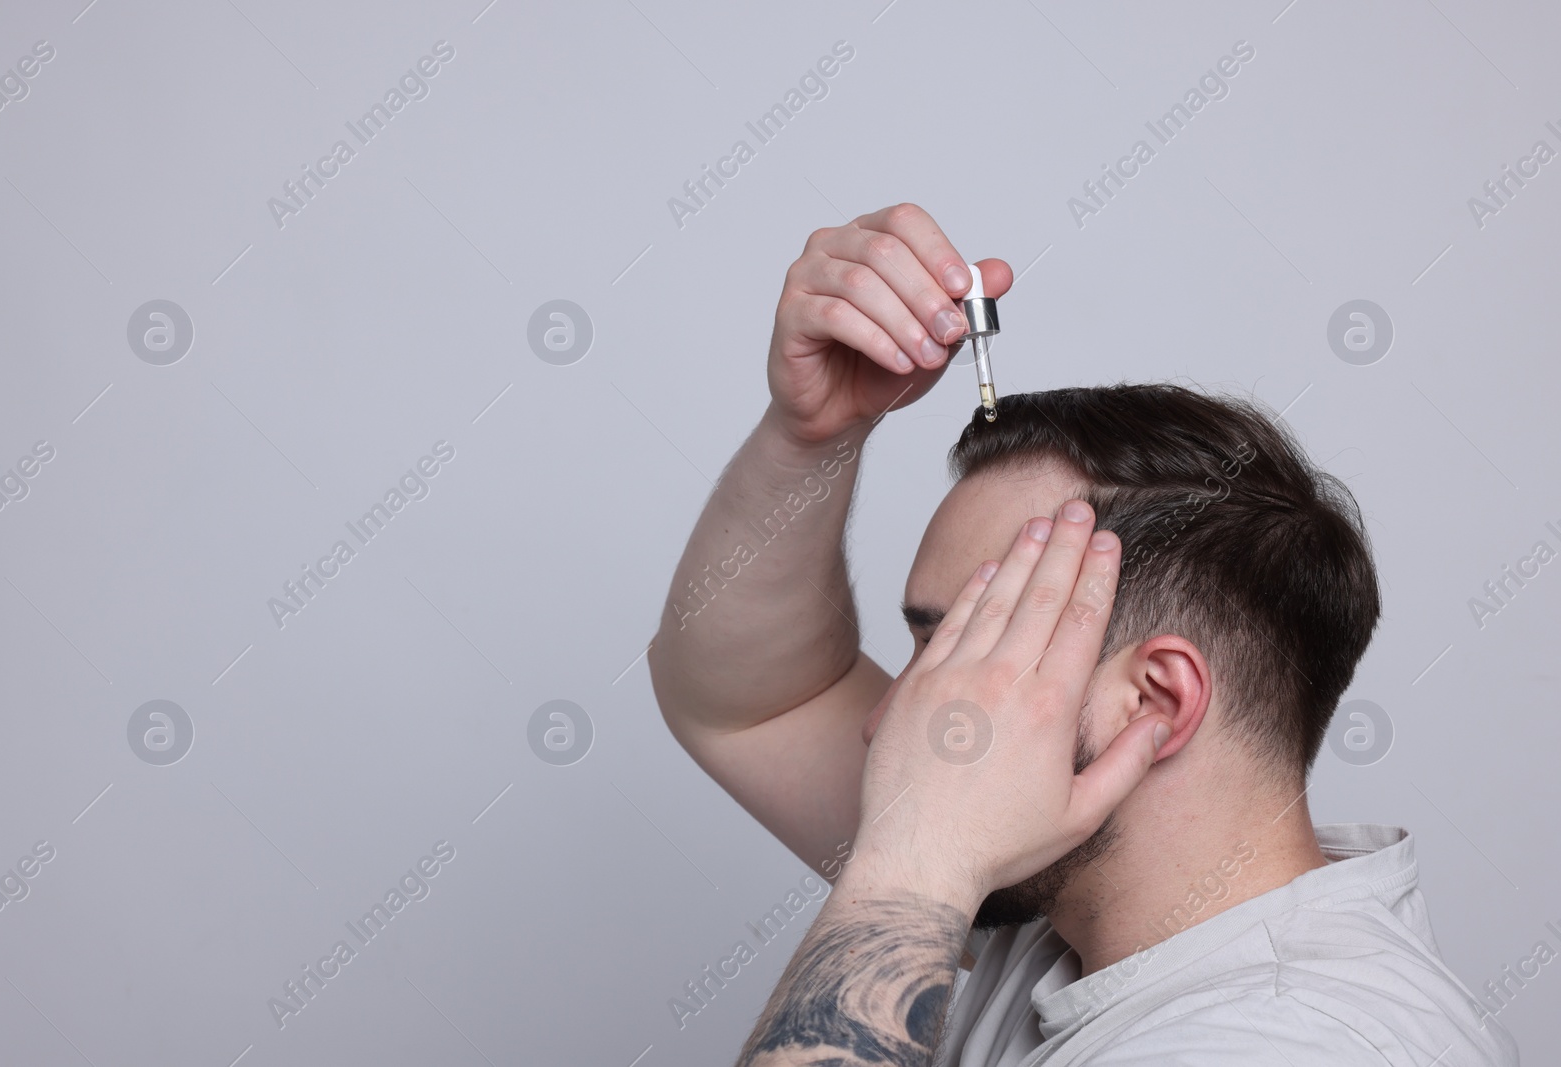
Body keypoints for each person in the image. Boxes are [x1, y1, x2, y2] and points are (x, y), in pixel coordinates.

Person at [646, 203, 1519, 1065]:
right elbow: (757, 701)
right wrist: (814, 437)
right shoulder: (1071, 908)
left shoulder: (1289, 1042)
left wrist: (917, 868)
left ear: (1155, 699)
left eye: (966, 650)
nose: (887, 724)